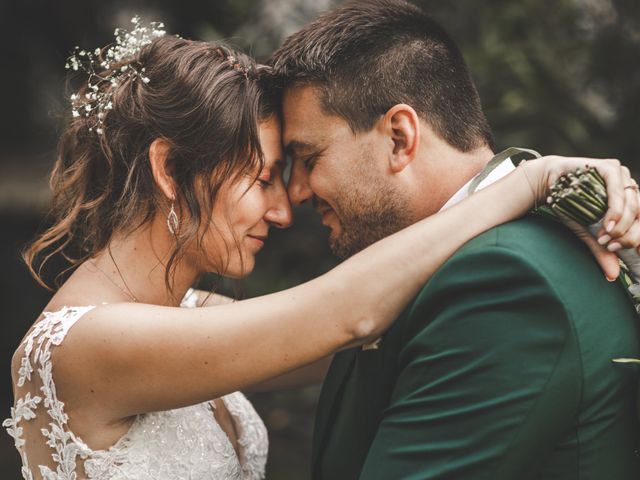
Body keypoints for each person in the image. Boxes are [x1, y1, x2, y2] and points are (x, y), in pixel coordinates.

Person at [3, 16, 638, 480]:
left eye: (301, 165)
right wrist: (524, 181)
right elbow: (347, 313)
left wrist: (589, 220)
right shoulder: (85, 348)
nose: (285, 209)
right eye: (263, 178)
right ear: (170, 171)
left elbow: (380, 320)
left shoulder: (188, 312)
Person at [267, 0, 640, 478]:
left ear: (399, 138)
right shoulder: (461, 261)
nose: (296, 191)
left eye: (309, 157)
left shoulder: (504, 281)